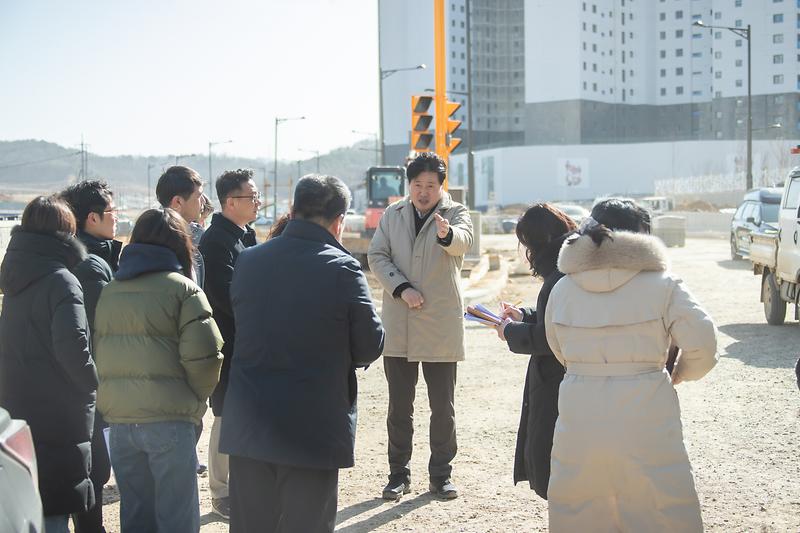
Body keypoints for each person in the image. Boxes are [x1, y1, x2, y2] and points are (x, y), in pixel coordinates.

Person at [220, 175, 385, 533]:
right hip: (313, 424)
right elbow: (371, 343)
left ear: (292, 211)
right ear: (339, 220)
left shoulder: (248, 261)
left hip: (250, 421)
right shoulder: (342, 268)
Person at [543, 199, 718, 531]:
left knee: (581, 508)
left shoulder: (563, 287)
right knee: (660, 507)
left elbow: (557, 347)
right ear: (642, 237)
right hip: (647, 406)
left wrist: (586, 368)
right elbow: (704, 343)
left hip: (581, 410)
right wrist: (678, 373)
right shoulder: (664, 284)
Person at [93, 208, 223, 533]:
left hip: (121, 423)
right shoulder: (184, 290)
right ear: (181, 243)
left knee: (136, 516)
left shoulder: (110, 290)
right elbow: (206, 357)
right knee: (177, 518)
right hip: (170, 421)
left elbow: (99, 353)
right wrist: (193, 399)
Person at [368, 152, 474, 500]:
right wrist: (401, 288)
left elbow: (464, 241)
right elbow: (377, 256)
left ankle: (441, 475)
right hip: (400, 323)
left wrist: (447, 235)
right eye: (417, 185)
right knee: (400, 406)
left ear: (441, 186)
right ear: (408, 185)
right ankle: (398, 474)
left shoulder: (455, 213)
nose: (423, 192)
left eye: (430, 185)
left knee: (442, 406)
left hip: (439, 324)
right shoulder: (393, 214)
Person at [0, 196, 98, 533]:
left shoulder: (14, 280)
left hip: (17, 406)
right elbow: (73, 347)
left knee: (31, 505)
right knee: (56, 506)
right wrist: (93, 382)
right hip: (58, 414)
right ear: (64, 233)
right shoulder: (62, 279)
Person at [493, 203, 576, 500]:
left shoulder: (561, 275)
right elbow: (554, 320)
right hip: (560, 378)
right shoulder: (571, 265)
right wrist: (525, 315)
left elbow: (551, 337)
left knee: (550, 459)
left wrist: (510, 332)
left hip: (556, 379)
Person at [60, 180, 122, 533]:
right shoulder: (91, 263)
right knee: (93, 467)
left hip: (76, 378)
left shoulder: (82, 254)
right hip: (89, 380)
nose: (117, 219)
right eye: (111, 213)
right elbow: (104, 325)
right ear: (92, 219)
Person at [199, 168, 259, 518]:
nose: (257, 202)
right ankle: (221, 491)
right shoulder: (216, 241)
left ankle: (242, 483)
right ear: (230, 202)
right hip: (227, 342)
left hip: (247, 340)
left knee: (244, 414)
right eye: (251, 196)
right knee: (224, 415)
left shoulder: (245, 234)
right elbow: (224, 295)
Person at [156, 165, 206, 287]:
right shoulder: (157, 242)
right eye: (199, 196)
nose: (204, 202)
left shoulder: (198, 235)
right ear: (177, 202)